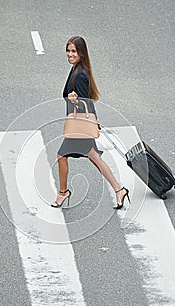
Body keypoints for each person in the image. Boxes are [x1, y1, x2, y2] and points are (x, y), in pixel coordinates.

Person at [51, 36, 130, 209]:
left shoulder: (79, 75)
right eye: (68, 50)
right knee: (94, 158)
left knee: (61, 156)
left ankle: (63, 192)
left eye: (74, 51)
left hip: (79, 126)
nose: (70, 54)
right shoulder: (78, 69)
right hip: (82, 125)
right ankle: (119, 189)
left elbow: (85, 102)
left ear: (81, 53)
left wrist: (75, 101)